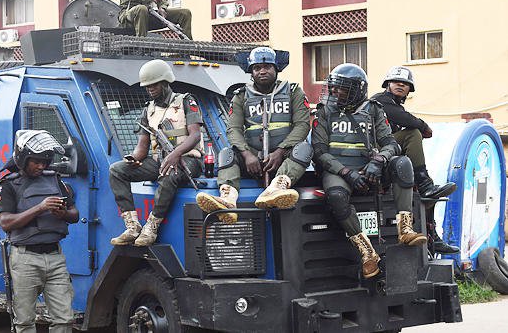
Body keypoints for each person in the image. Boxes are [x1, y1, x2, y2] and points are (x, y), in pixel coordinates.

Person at [311, 63, 427, 279]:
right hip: (339, 172)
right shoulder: (324, 112)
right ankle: (367, 252)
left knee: (402, 163)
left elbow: (391, 143)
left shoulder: (374, 109)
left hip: (371, 169)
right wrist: (346, 172)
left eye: (341, 88)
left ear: (356, 89)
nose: (334, 92)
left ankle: (405, 229)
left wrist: (379, 160)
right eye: (333, 87)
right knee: (336, 196)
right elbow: (319, 152)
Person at [195, 47, 313, 223]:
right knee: (227, 153)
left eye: (267, 66)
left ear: (276, 68)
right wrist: (247, 154)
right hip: (253, 160)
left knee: (304, 149)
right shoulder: (241, 96)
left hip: (284, 156)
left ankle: (277, 189)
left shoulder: (293, 91)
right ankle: (227, 199)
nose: (262, 71)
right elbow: (233, 130)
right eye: (257, 68)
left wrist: (280, 151)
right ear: (251, 72)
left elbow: (303, 125)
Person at [109, 59, 203, 246]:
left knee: (170, 173)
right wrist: (133, 159)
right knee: (116, 170)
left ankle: (151, 226)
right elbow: (142, 146)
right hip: (159, 160)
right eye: (147, 86)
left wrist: (176, 154)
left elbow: (195, 136)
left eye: (154, 84)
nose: (150, 88)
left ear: (165, 82)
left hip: (189, 159)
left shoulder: (186, 100)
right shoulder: (148, 110)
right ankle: (132, 226)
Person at [0, 130, 79, 333]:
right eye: (36, 161)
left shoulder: (54, 179)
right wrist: (40, 208)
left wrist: (63, 214)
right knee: (24, 321)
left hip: (55, 257)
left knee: (65, 319)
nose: (41, 166)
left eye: (45, 161)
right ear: (23, 158)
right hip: (25, 259)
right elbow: (5, 222)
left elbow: (74, 214)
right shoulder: (9, 185)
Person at [371, 66, 459, 254]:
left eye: (405, 84)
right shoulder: (379, 101)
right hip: (375, 154)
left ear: (410, 90)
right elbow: (407, 121)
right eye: (396, 82)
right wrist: (423, 126)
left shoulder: (395, 105)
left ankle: (432, 235)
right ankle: (424, 181)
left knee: (426, 194)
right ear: (387, 84)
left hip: (390, 154)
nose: (401, 85)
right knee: (413, 133)